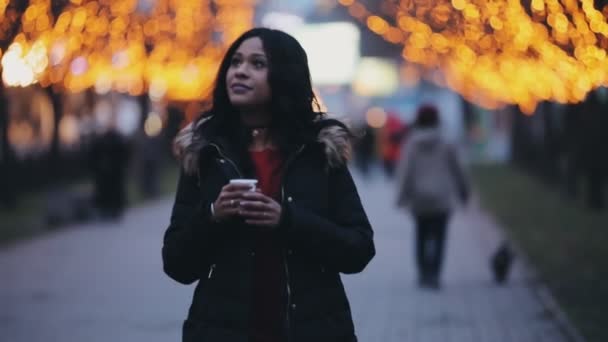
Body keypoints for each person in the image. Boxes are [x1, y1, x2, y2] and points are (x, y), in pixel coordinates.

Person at [162, 28, 375, 342]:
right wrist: (213, 215)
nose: (240, 71)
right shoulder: (206, 155)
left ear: (284, 75)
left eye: (257, 64)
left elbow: (358, 249)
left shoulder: (318, 153)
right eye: (235, 62)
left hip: (313, 330)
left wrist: (287, 220)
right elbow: (177, 264)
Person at [395, 104, 469, 289]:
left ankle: (423, 273)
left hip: (419, 198)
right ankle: (435, 274)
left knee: (420, 236)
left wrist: (402, 196)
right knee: (439, 237)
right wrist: (463, 191)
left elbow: (406, 171)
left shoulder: (411, 142)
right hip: (442, 197)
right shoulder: (446, 142)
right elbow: (458, 169)